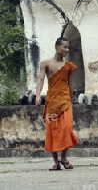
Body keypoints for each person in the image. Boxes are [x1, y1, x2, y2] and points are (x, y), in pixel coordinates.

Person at [35, 37, 79, 171]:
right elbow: (41, 79)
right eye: (64, 47)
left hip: (65, 101)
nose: (66, 50)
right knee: (52, 131)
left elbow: (70, 85)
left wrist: (71, 101)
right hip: (52, 101)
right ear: (57, 47)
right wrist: (38, 95)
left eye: (68, 47)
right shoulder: (45, 63)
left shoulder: (69, 66)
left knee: (67, 128)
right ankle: (56, 162)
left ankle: (64, 157)